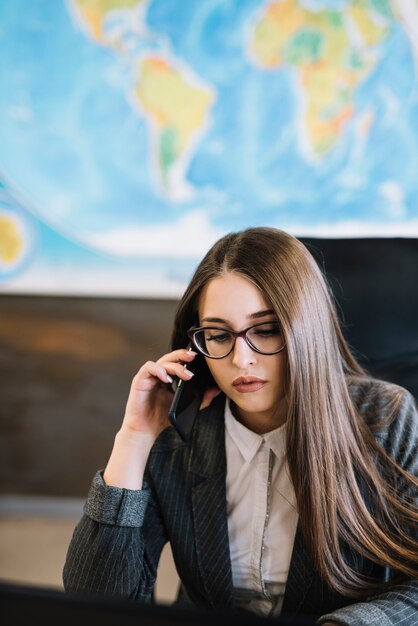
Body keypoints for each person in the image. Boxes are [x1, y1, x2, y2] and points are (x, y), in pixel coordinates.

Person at [63, 227, 418, 625]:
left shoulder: (385, 418)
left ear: (307, 329)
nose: (240, 359)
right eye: (217, 335)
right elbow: (95, 603)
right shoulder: (180, 433)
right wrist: (134, 438)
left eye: (265, 330)